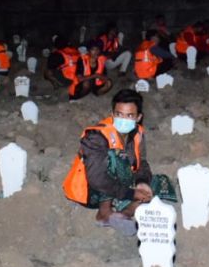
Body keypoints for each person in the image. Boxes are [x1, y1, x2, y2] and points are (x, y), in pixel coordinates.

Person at [63, 90, 175, 235]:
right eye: (119, 114)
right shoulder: (97, 136)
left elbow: (141, 162)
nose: (123, 119)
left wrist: (142, 182)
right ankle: (104, 213)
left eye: (129, 115)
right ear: (112, 114)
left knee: (159, 182)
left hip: (117, 184)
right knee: (116, 157)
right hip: (90, 191)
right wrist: (130, 193)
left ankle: (125, 213)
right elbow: (96, 179)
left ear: (138, 117)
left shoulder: (137, 132)